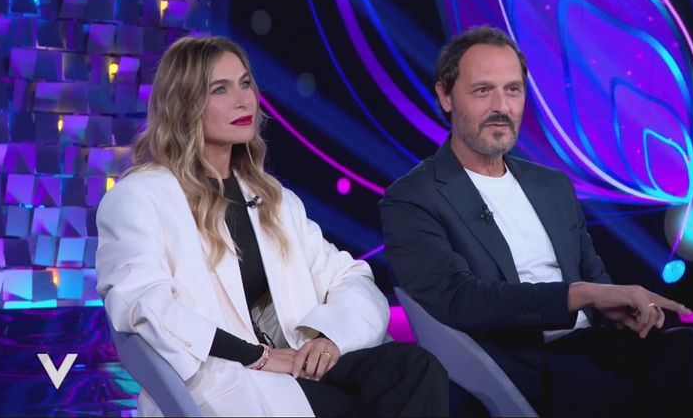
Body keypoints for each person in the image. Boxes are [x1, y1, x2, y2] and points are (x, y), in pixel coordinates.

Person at [379, 26, 693, 417]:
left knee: (691, 347)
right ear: (445, 95)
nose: (501, 106)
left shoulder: (551, 186)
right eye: (483, 90)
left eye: (513, 90)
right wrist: (582, 295)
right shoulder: (413, 197)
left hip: (591, 347)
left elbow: (597, 282)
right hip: (520, 366)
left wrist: (622, 311)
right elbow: (460, 300)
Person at [95, 36, 448, 417]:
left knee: (413, 370)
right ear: (184, 104)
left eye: (245, 83)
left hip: (293, 363)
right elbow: (141, 304)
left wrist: (329, 338)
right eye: (220, 89)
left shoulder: (272, 198)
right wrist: (257, 356)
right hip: (222, 380)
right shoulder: (140, 196)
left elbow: (350, 276)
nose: (243, 100)